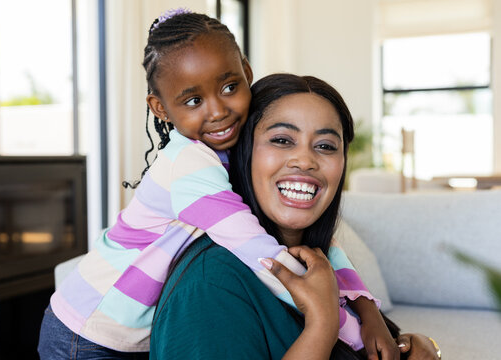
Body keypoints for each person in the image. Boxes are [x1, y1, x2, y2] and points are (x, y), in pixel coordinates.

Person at [39, 9, 407, 359]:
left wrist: (369, 311)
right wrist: (346, 330)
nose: (217, 111)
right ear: (160, 108)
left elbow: (326, 248)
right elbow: (263, 256)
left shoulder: (227, 150)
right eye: (194, 99)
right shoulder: (189, 165)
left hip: (127, 331)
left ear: (246, 72)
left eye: (230, 87)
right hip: (86, 331)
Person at [149, 73, 442, 359]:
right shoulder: (210, 284)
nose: (305, 160)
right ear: (245, 151)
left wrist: (421, 346)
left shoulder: (320, 264)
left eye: (325, 146)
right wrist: (322, 325)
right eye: (281, 140)